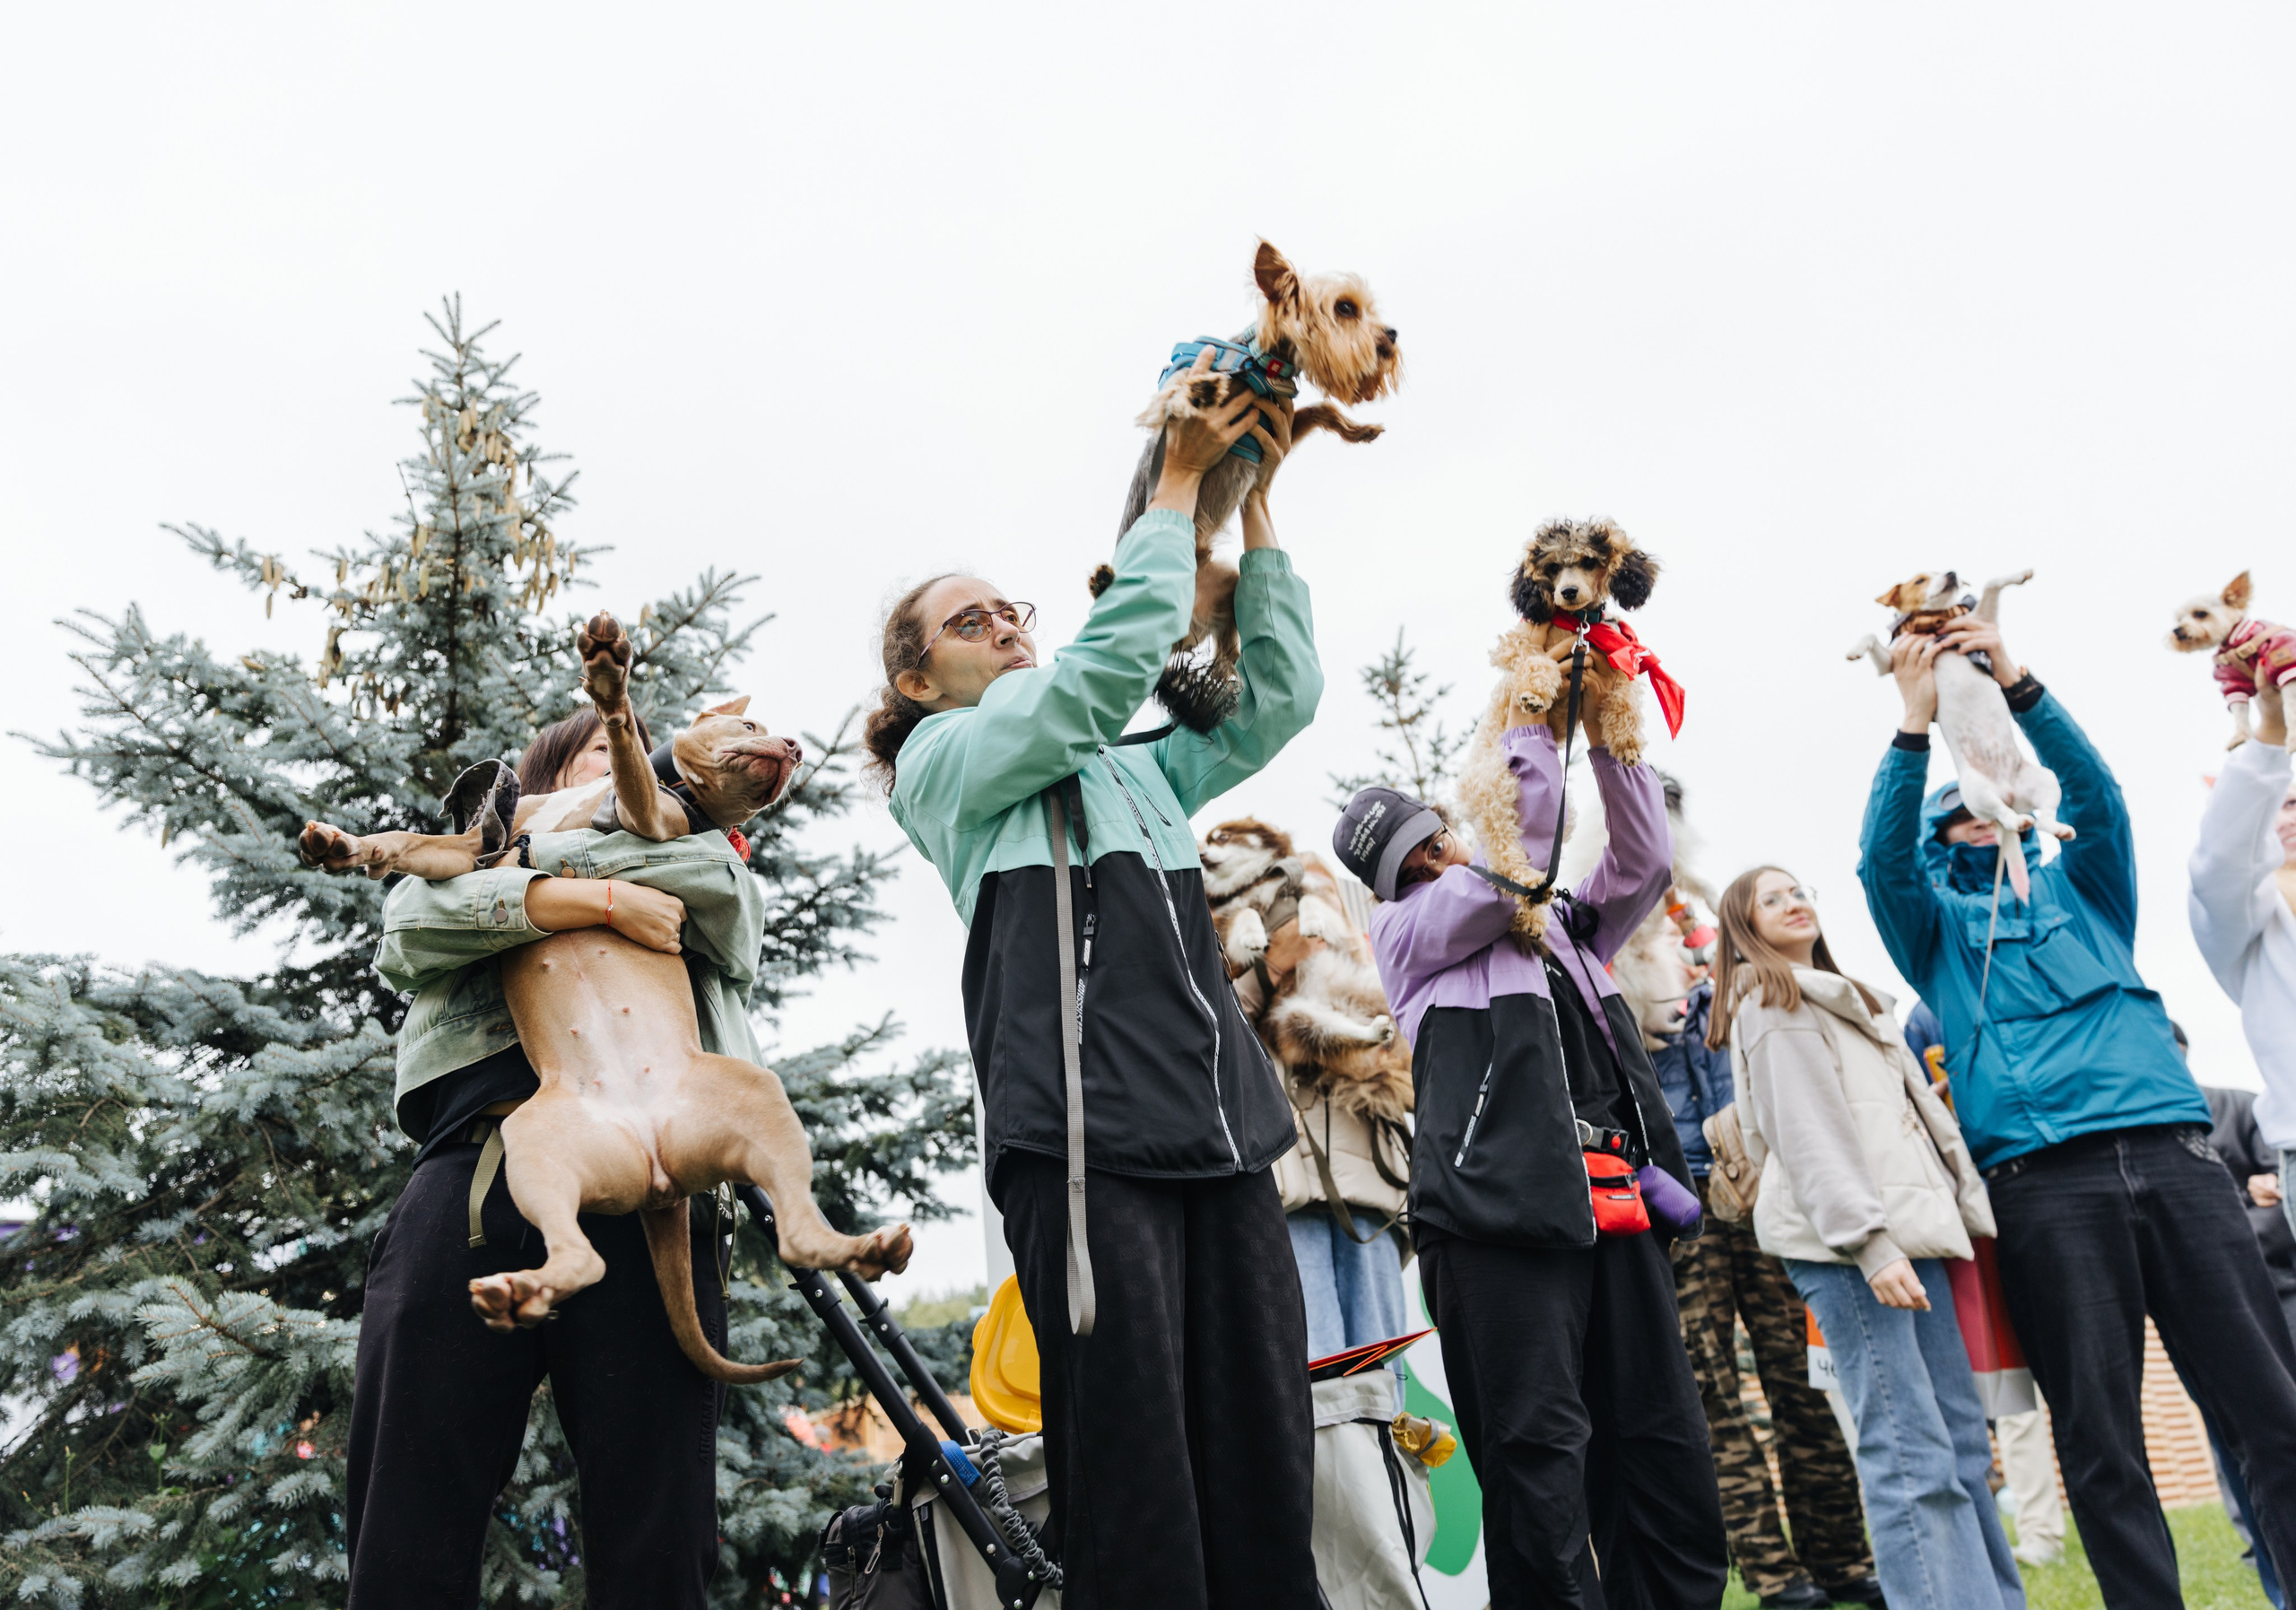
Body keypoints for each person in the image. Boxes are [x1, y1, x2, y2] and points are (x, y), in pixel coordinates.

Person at [874, 370, 1323, 1609]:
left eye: (1012, 609)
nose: (1011, 627)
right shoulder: (946, 767)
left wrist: (1256, 512)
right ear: (919, 682)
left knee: (1263, 1455)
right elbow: (1087, 684)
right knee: (1132, 1473)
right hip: (1085, 1146)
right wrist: (1176, 485)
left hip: (1222, 1128)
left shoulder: (1135, 777)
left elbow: (1279, 698)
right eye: (973, 623)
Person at [1862, 619, 2296, 1607]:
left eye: (1996, 809)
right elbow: (1878, 862)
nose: (1985, 823)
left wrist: (2015, 683)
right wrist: (1912, 724)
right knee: (2100, 1442)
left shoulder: (2088, 892)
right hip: (2045, 1184)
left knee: (2272, 1413)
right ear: (1942, 840)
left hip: (2180, 1163)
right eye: (1962, 819)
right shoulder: (1930, 930)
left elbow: (2096, 798)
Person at [346, 707, 767, 1609]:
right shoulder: (495, 835)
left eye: (642, 776)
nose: (623, 787)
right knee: (408, 1517)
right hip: (475, 1173)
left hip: (656, 1199)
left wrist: (514, 876)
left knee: (658, 1533)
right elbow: (412, 925)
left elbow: (725, 911)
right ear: (536, 783)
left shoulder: (704, 856)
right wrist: (601, 896)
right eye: (598, 768)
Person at [1340, 738, 1728, 1607]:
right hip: (1489, 1223)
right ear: (1388, 886)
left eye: (1438, 837)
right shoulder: (1413, 931)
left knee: (1660, 1447)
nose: (1441, 858)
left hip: (1609, 1205)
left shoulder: (1562, 926)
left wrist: (1611, 735)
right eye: (1414, 860)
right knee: (1537, 1469)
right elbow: (1524, 861)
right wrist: (1527, 720)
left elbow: (1644, 857)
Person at [1710, 866, 2022, 1610]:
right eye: (1772, 897)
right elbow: (1810, 1134)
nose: (1795, 901)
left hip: (1918, 1237)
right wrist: (1869, 1243)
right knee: (1909, 1446)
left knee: (1963, 1445)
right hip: (1851, 1249)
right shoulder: (1770, 999)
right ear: (1745, 927)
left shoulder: (1853, 1002)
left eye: (1799, 889)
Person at [1628, 948, 1877, 1609]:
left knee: (1805, 1378)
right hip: (1677, 1211)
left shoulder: (1733, 1001)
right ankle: (1774, 1573)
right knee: (1712, 1391)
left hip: (1763, 1196)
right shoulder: (1617, 1012)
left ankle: (1842, 1558)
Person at [1903, 998, 2066, 1568]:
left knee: (2043, 1382)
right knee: (2002, 1384)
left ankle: (2045, 1529)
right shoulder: (1925, 1019)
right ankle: (2029, 1534)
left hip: (2043, 1196)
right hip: (1974, 1221)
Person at [2189, 676, 2296, 1218]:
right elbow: (2221, 864)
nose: (2293, 815)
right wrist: (2271, 731)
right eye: (2280, 804)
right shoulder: (2241, 920)